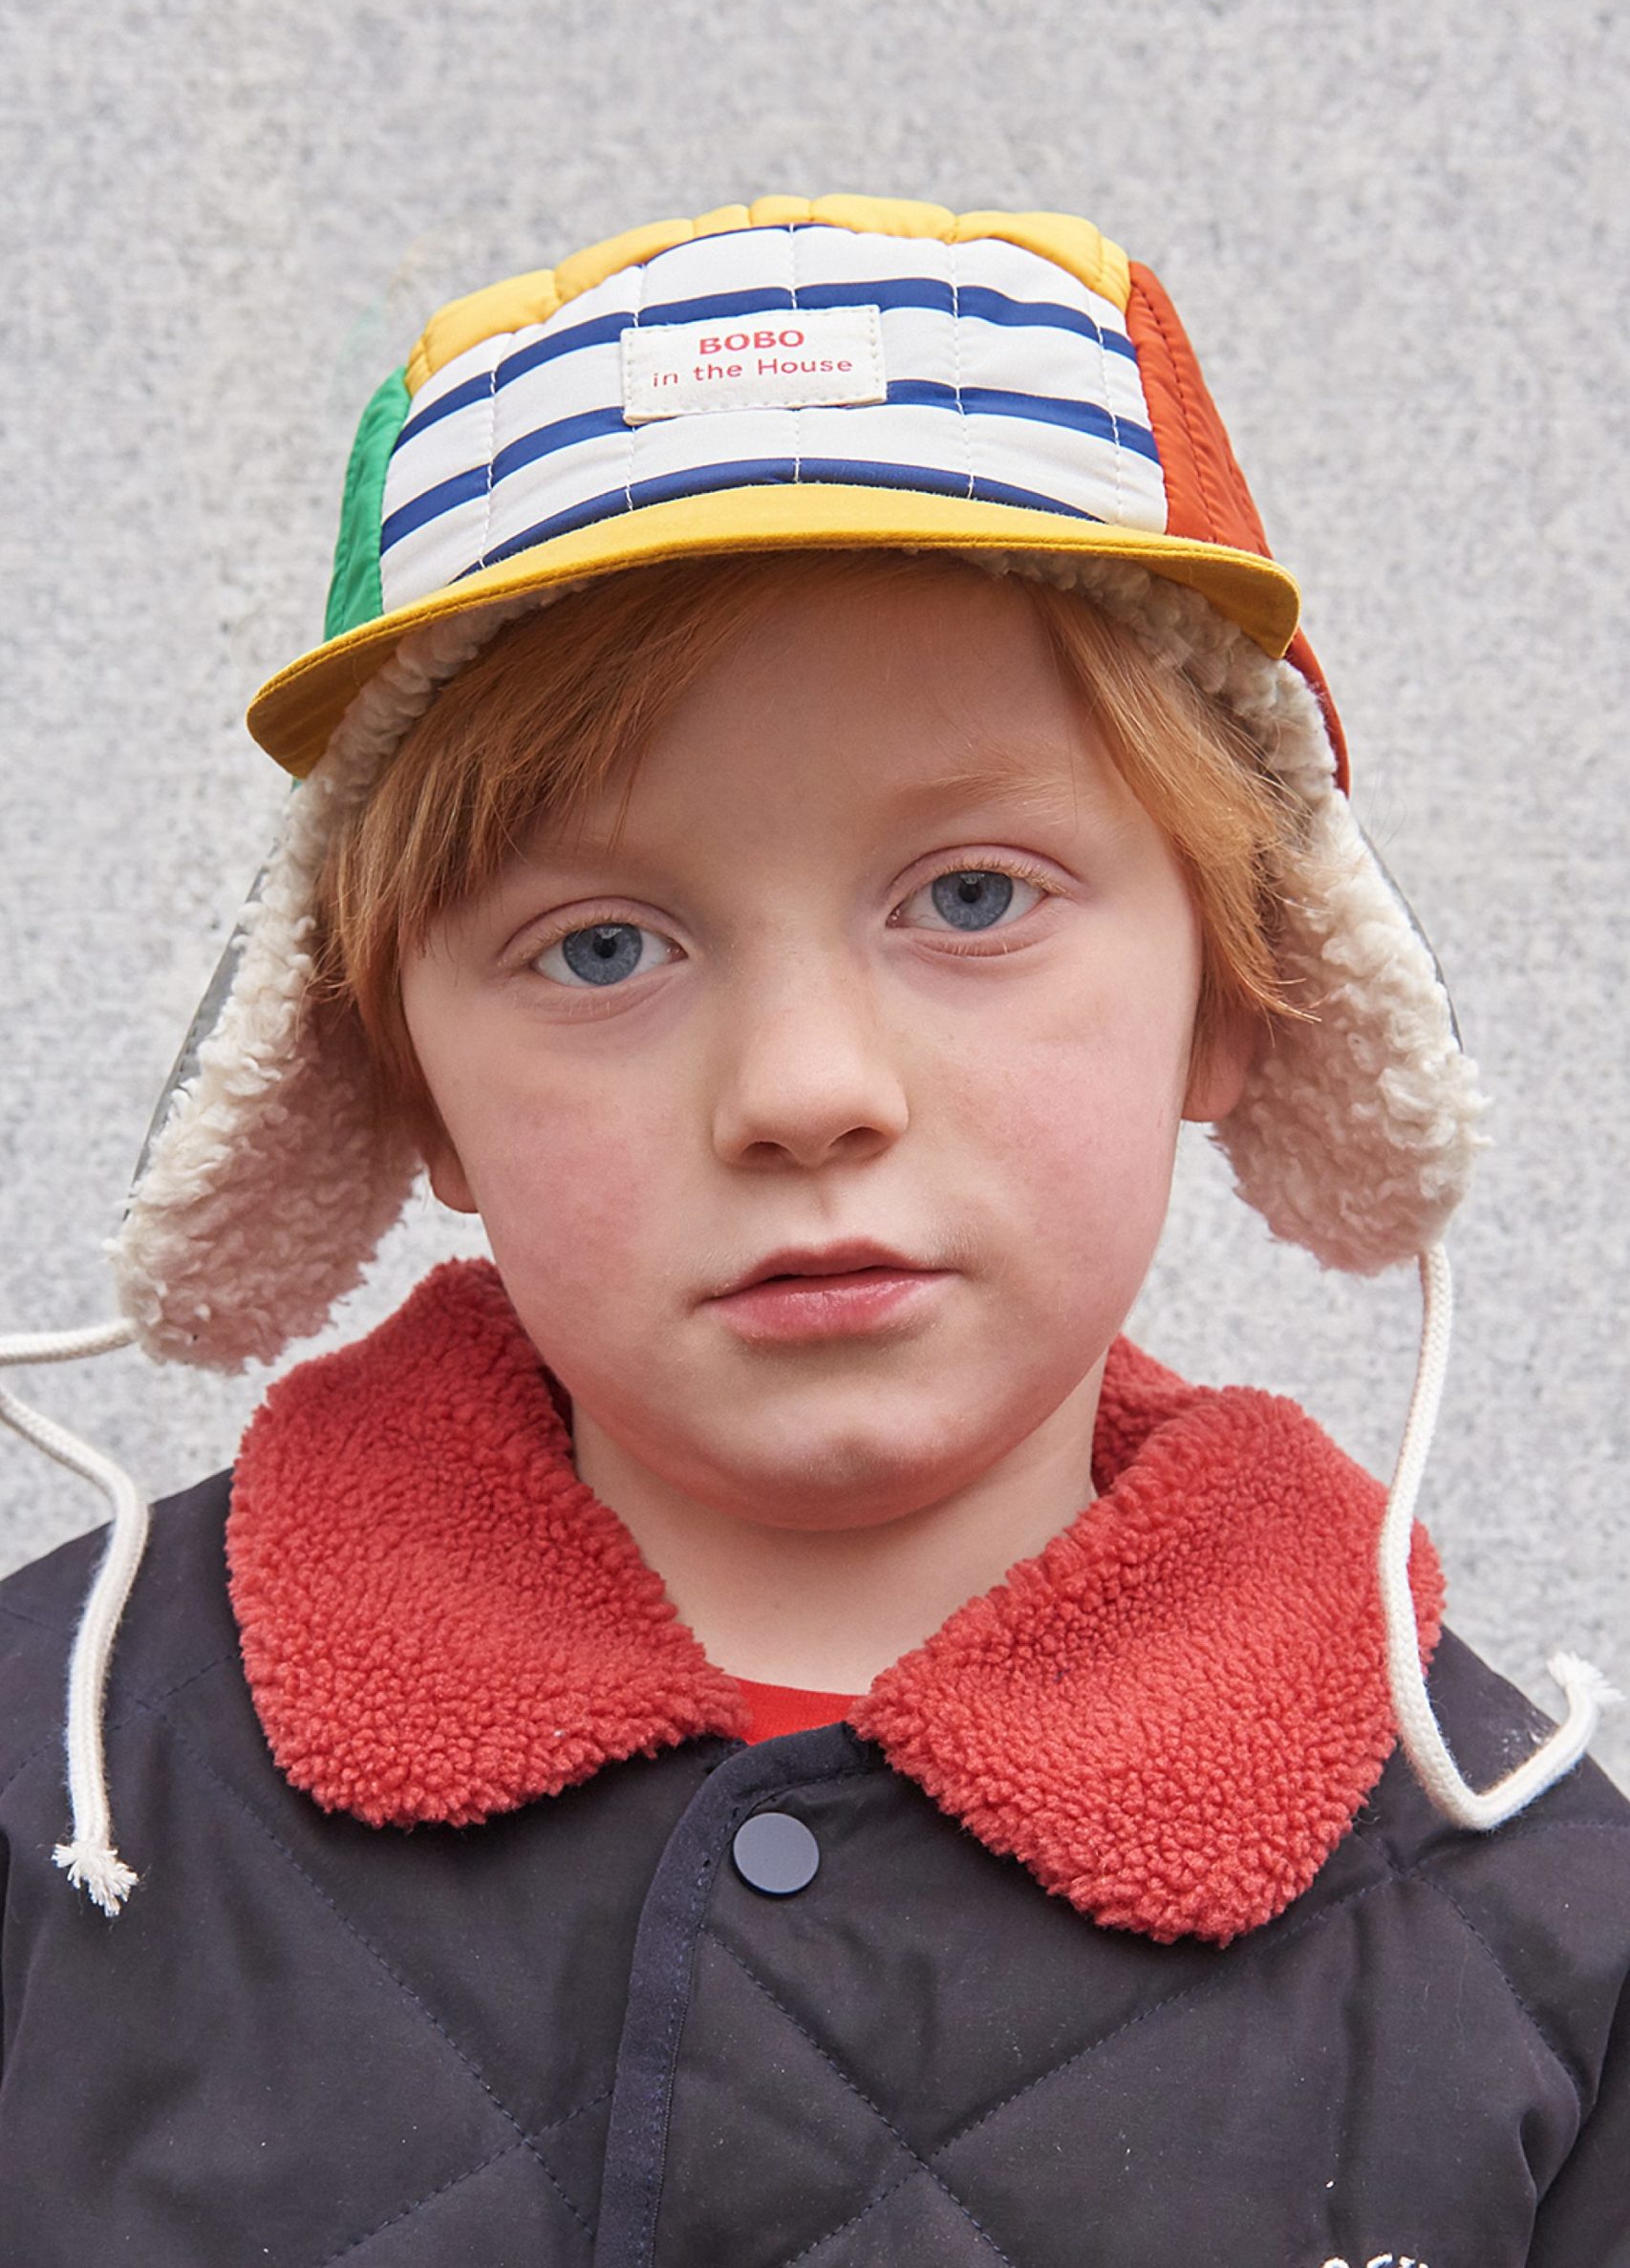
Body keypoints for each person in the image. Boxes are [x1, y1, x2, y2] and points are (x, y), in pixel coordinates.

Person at [1, 195, 1625, 2266]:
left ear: (1241, 985)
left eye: (972, 896)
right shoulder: (64, 1769)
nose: (800, 1087)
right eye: (602, 944)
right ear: (400, 1083)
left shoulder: (1534, 1934)